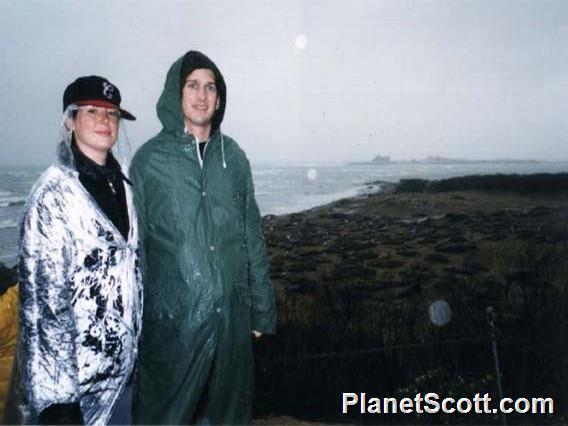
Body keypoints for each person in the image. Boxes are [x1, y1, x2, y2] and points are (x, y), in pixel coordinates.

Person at [130, 50, 277, 425]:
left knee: (231, 414)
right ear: (175, 94)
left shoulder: (235, 158)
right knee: (164, 415)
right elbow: (136, 252)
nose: (202, 95)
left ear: (219, 98)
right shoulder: (149, 162)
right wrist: (137, 325)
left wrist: (262, 309)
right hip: (172, 324)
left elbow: (251, 237)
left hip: (231, 319)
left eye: (210, 87)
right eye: (192, 85)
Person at [3, 76, 142, 425]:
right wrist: (59, 405)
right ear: (69, 120)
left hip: (126, 380)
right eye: (91, 111)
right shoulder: (51, 197)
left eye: (111, 114)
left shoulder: (128, 186)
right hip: (77, 396)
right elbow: (44, 310)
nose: (104, 121)